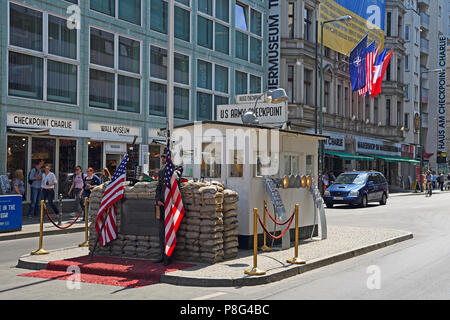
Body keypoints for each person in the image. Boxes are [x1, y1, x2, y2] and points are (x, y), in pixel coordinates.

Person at [155, 153, 167, 264]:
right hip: (162, 204)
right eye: (162, 157)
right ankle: (162, 255)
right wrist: (158, 199)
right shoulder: (162, 171)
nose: (163, 159)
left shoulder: (173, 171)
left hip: (170, 205)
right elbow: (158, 187)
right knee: (161, 231)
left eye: (165, 157)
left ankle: (168, 256)